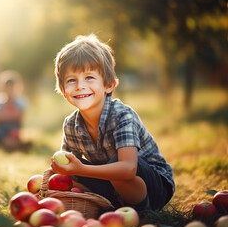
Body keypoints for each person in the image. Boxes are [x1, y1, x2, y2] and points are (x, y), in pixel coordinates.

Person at [50, 34, 175, 212]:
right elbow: (70, 166)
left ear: (109, 85)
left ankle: (142, 213)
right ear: (63, 90)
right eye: (71, 80)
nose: (79, 86)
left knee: (116, 164)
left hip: (154, 187)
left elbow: (129, 168)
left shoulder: (122, 116)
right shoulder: (71, 125)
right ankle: (108, 205)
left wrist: (81, 169)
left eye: (89, 78)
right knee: (74, 170)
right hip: (113, 184)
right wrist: (61, 172)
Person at [0, 70, 30, 151]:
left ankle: (11, 144)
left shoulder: (21, 101)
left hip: (13, 128)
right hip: (0, 130)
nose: (9, 89)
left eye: (12, 86)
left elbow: (19, 117)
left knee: (12, 134)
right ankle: (16, 145)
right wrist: (10, 116)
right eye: (7, 86)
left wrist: (1, 117)